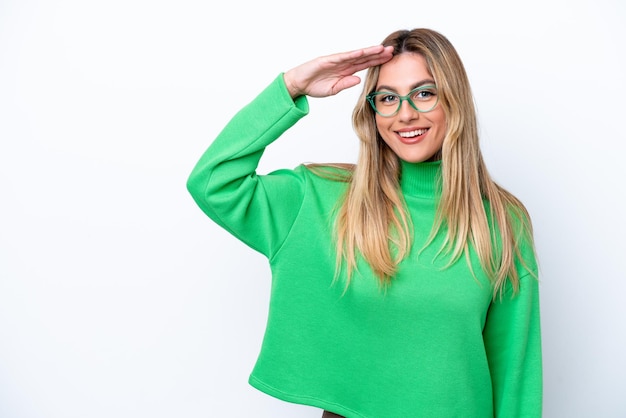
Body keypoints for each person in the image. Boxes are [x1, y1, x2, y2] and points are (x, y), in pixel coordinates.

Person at [187, 28, 542, 418]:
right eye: (388, 98)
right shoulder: (320, 198)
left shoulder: (503, 221)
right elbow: (212, 183)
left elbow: (514, 374)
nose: (406, 113)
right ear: (372, 111)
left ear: (453, 101)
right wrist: (291, 87)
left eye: (424, 93)